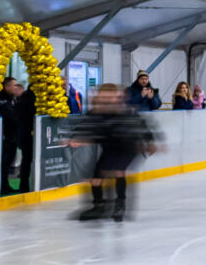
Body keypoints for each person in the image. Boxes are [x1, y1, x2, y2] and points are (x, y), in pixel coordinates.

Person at [69, 83, 162, 222]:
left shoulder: (125, 111)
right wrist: (76, 137)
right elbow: (84, 125)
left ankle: (120, 204)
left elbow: (141, 126)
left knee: (118, 171)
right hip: (110, 148)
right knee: (96, 178)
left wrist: (149, 142)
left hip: (128, 148)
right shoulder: (96, 112)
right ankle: (99, 206)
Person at [0, 77, 36, 195]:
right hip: (7, 136)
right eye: (14, 85)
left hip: (13, 136)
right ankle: (3, 186)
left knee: (8, 162)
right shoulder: (3, 100)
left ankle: (5, 185)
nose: (16, 87)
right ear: (7, 86)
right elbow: (11, 117)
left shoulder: (13, 99)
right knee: (5, 162)